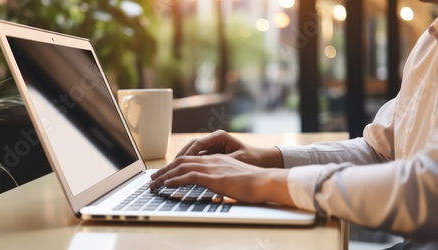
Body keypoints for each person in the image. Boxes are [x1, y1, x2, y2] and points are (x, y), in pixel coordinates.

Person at [150, 1, 438, 249]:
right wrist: (269, 158)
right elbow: (380, 152)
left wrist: (263, 182)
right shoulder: (429, 43)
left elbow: (426, 189)